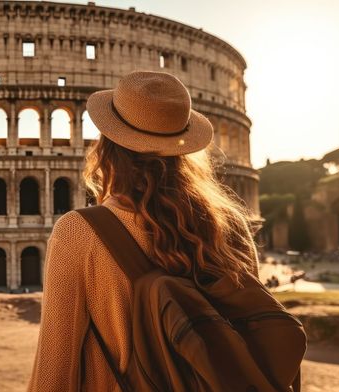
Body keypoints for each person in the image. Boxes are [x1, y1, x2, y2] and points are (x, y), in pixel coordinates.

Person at [27, 71, 261, 391]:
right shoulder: (231, 226)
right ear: (185, 149)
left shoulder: (78, 233)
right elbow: (254, 332)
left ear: (106, 146)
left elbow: (55, 371)